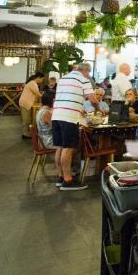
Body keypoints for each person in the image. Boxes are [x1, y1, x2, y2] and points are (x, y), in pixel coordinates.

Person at [50, 62, 96, 191]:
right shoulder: (83, 80)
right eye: (89, 73)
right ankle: (68, 180)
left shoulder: (63, 78)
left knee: (60, 147)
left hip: (56, 115)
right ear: (86, 72)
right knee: (68, 149)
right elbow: (92, 99)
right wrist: (99, 109)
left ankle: (61, 177)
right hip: (69, 117)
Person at [18, 72, 45, 140]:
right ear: (38, 77)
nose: (42, 81)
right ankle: (25, 134)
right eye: (42, 79)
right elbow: (38, 94)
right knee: (26, 119)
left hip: (26, 102)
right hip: (25, 102)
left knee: (28, 119)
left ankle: (27, 133)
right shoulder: (33, 84)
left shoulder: (33, 83)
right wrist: (45, 96)